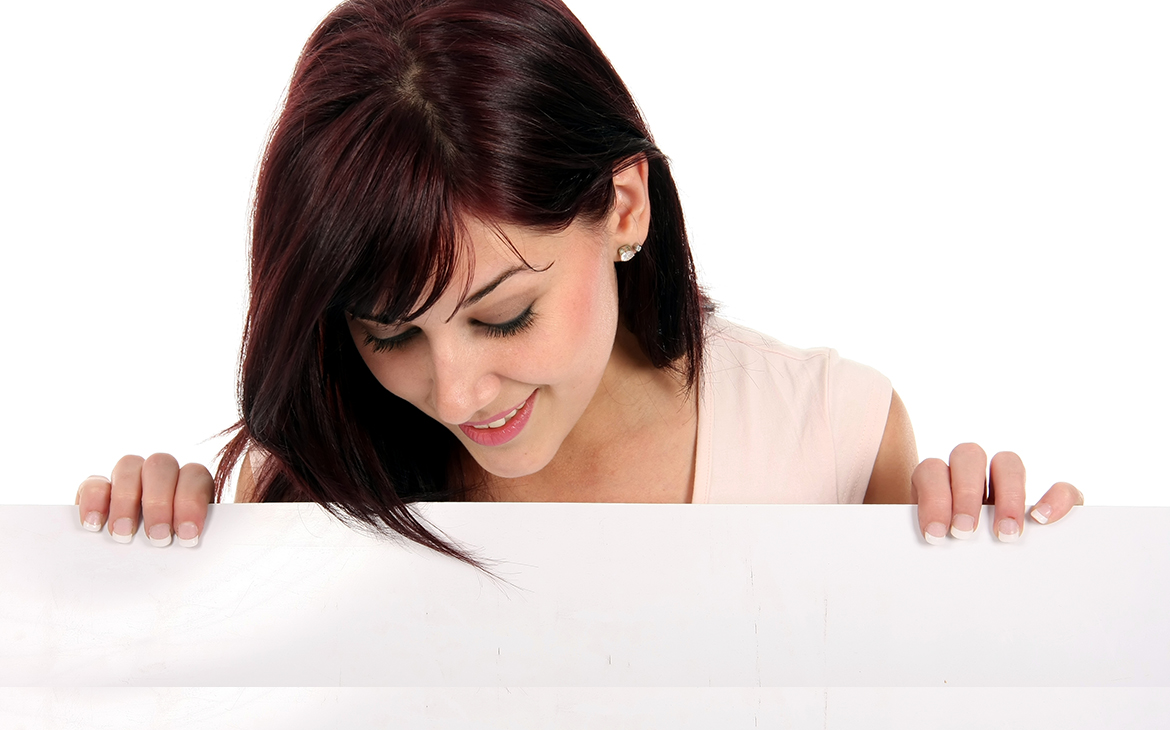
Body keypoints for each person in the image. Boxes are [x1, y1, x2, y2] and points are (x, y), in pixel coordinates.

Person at [73, 0, 1080, 566]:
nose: (458, 391)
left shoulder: (835, 434)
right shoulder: (323, 475)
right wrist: (159, 573)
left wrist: (1013, 577)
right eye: (390, 334)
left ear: (627, 206)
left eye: (505, 314)